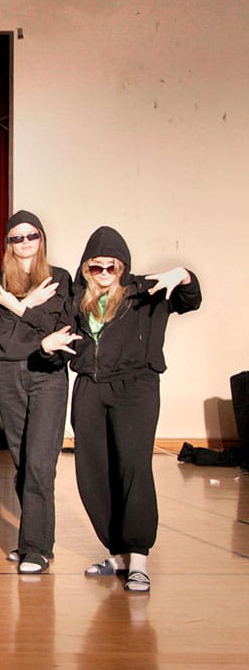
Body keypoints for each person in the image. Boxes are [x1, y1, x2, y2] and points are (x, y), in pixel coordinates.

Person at [40, 226, 200, 593]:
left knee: (133, 468)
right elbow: (59, 343)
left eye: (111, 267)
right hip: (89, 389)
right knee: (93, 473)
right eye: (96, 267)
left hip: (135, 388)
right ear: (86, 269)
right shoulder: (76, 302)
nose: (104, 274)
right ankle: (120, 554)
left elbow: (190, 300)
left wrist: (184, 276)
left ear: (122, 267)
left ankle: (139, 557)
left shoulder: (146, 293)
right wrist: (46, 348)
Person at [0, 210, 71, 574]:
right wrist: (30, 310)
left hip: (47, 373)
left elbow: (60, 329)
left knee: (39, 464)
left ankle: (35, 548)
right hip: (8, 375)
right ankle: (37, 540)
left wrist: (18, 307)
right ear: (8, 244)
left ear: (41, 238)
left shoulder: (59, 279)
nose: (25, 243)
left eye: (31, 235)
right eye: (17, 238)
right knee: (22, 464)